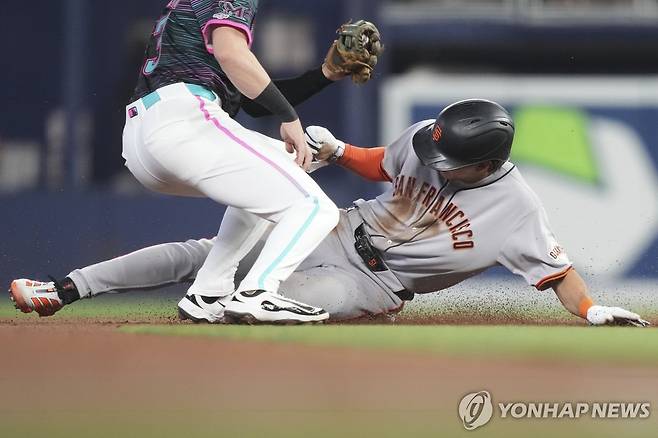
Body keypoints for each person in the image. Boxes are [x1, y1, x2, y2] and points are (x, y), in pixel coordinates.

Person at [9, 99, 649, 326]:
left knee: (265, 307)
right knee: (203, 258)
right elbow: (383, 165)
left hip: (373, 285)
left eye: (451, 161)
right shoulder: (428, 138)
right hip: (339, 229)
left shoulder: (517, 209)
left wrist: (591, 309)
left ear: (487, 163)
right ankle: (64, 289)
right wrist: (339, 150)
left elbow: (558, 274)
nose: (435, 161)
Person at [11, 2, 385, 324]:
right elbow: (231, 54)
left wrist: (324, 75)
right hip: (184, 118)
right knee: (315, 207)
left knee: (281, 168)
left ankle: (209, 291)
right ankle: (258, 291)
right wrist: (288, 115)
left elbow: (251, 100)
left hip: (153, 132)